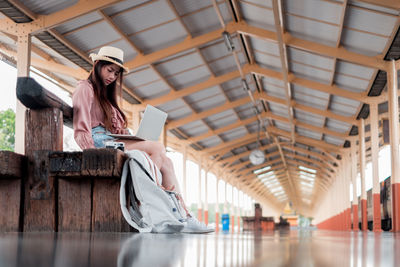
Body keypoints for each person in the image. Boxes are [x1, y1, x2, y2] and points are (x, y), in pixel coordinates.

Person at [72, 46, 213, 233]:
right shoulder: (85, 88)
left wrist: (132, 136)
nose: (112, 76)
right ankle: (150, 207)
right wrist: (92, 154)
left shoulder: (106, 97)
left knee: (167, 162)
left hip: (112, 140)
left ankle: (184, 215)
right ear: (98, 65)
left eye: (116, 73)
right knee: (157, 148)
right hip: (100, 143)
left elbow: (116, 129)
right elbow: (81, 128)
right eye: (109, 70)